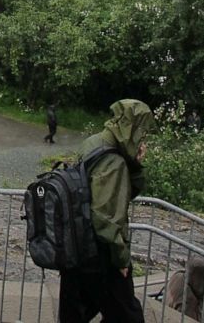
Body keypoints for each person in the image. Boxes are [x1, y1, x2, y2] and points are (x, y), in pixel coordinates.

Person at [58, 99, 155, 323]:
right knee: (128, 317)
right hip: (101, 256)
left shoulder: (94, 143)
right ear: (133, 128)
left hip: (76, 248)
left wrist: (134, 165)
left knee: (74, 315)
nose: (144, 140)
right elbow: (105, 216)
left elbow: (111, 194)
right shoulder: (114, 162)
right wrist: (121, 260)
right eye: (143, 133)